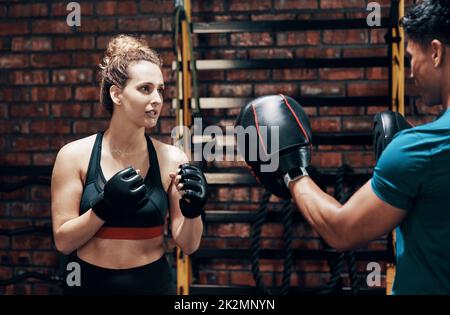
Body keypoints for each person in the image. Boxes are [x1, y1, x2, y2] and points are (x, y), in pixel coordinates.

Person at [238, 0, 450, 294]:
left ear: (436, 52)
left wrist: (293, 173)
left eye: (413, 56)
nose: (412, 71)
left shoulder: (420, 150)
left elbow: (341, 230)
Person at [51, 34, 206, 295]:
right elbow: (63, 242)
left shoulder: (172, 158)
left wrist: (193, 213)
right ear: (117, 94)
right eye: (145, 89)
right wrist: (104, 207)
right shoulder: (73, 155)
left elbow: (188, 245)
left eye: (160, 90)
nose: (157, 99)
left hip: (153, 286)